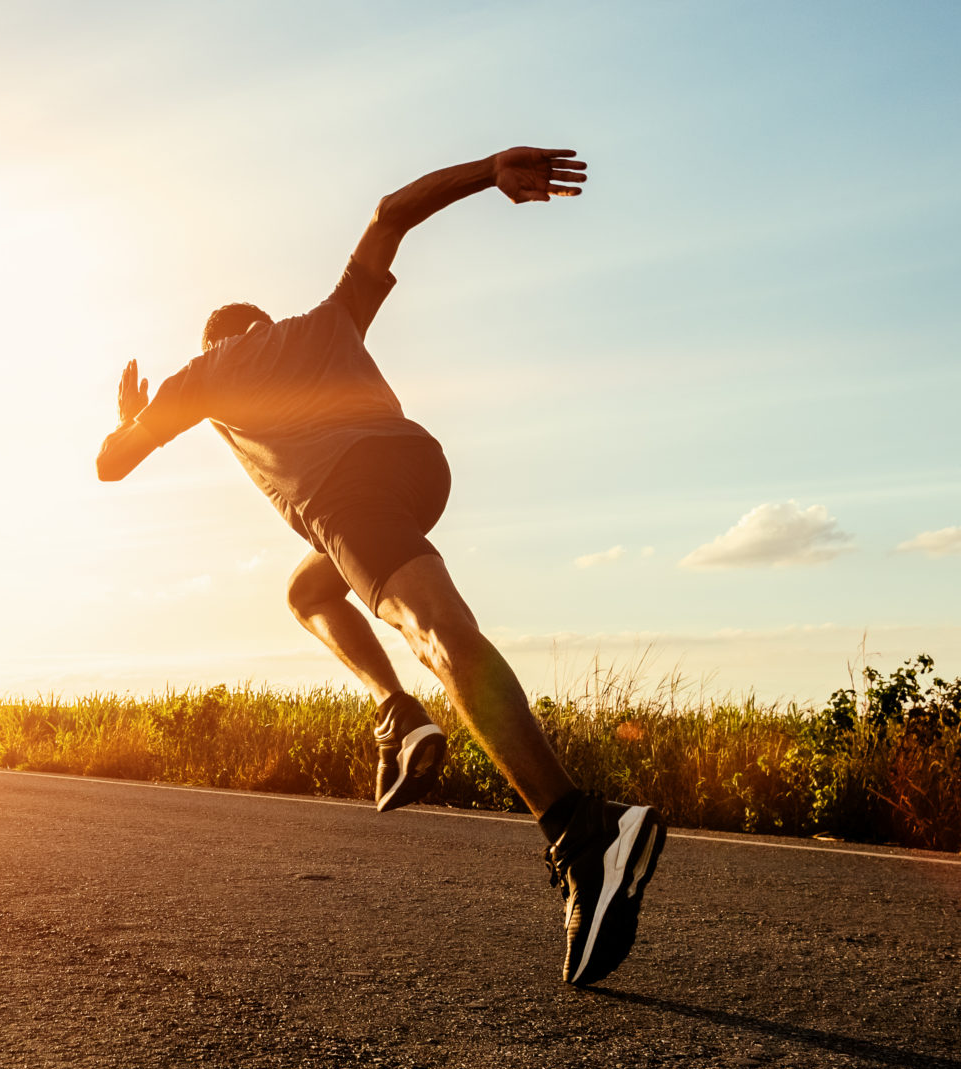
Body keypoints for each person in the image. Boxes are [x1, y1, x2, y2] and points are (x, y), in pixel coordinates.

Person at [94, 145, 664, 986]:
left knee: (438, 633)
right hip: (415, 468)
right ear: (264, 324)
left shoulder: (202, 374)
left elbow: (111, 466)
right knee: (309, 587)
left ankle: (581, 829)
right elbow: (391, 211)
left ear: (215, 341)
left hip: (345, 496)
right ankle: (398, 713)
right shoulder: (327, 321)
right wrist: (492, 169)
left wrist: (134, 418)